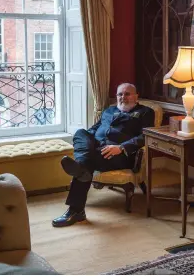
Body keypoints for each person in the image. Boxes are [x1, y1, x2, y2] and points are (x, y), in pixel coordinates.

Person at [52, 83, 155, 227]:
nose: (122, 97)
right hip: (97, 149)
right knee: (81, 133)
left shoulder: (146, 112)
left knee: (85, 167)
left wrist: (121, 147)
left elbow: (146, 136)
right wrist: (88, 141)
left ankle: (76, 210)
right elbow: (94, 129)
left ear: (136, 96)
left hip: (120, 155)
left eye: (127, 94)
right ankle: (81, 165)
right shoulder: (109, 110)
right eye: (120, 94)